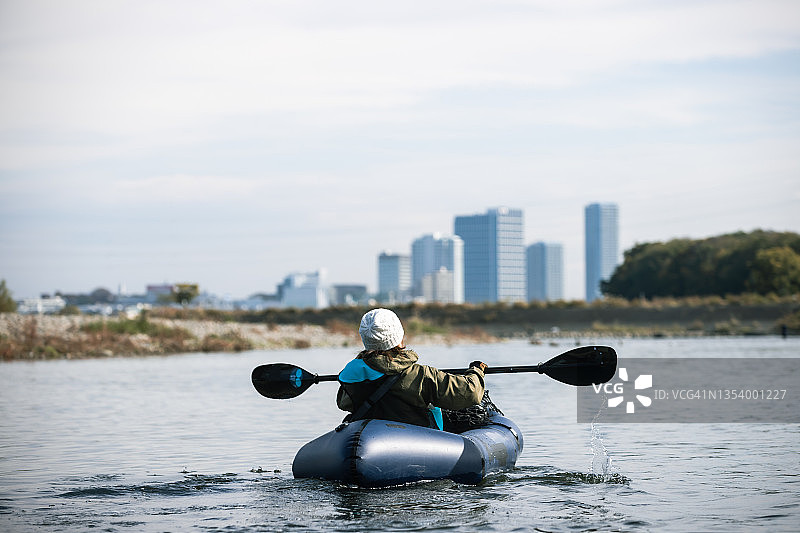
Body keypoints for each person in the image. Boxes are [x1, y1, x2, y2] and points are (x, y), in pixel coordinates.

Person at [336, 308, 488, 430]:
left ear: (365, 339)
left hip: (371, 437)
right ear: (400, 337)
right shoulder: (420, 375)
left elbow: (344, 404)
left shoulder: (352, 375)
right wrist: (476, 371)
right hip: (418, 440)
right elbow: (471, 393)